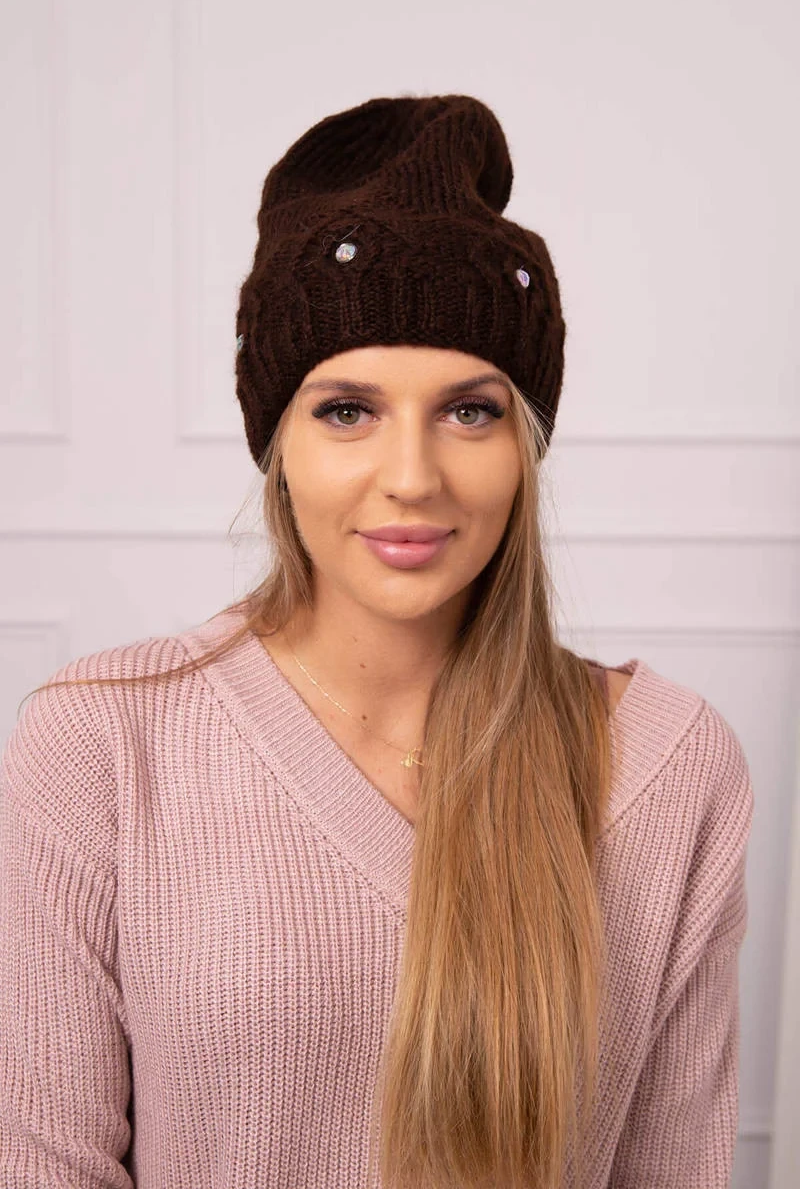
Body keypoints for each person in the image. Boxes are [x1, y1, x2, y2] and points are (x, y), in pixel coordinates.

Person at [0, 95, 753, 1189]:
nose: (411, 477)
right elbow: (40, 1161)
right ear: (278, 445)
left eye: (469, 411)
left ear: (525, 445)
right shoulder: (102, 741)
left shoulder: (672, 764)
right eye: (346, 410)